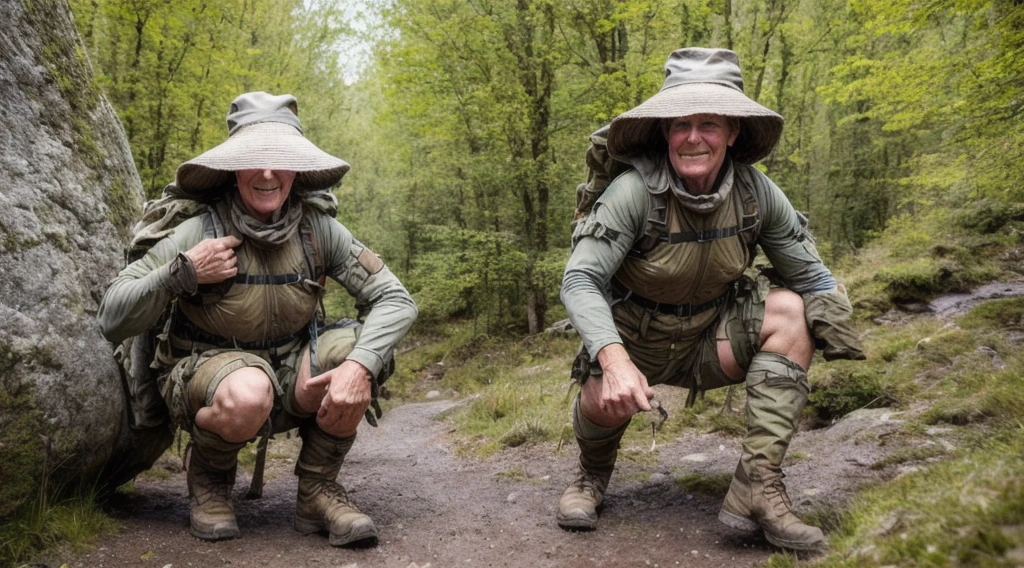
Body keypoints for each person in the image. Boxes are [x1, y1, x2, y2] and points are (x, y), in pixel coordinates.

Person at [557, 48, 864, 551]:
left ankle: (760, 490)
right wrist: (612, 360)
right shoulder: (633, 193)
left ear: (734, 131)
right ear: (664, 132)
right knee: (604, 399)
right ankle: (590, 478)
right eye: (681, 124)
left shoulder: (757, 194)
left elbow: (809, 274)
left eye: (709, 124)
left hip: (711, 335)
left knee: (792, 313)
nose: (693, 137)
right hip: (634, 335)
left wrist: (838, 320)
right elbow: (580, 280)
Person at [98, 92, 418, 546]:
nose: (268, 174)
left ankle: (317, 493)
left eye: (280, 160)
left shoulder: (317, 228)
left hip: (291, 374)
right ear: (234, 168)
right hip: (213, 378)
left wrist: (360, 365)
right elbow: (112, 316)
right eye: (255, 159)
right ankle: (210, 485)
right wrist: (181, 272)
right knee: (249, 391)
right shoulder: (197, 229)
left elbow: (396, 298)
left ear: (295, 170)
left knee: (355, 355)